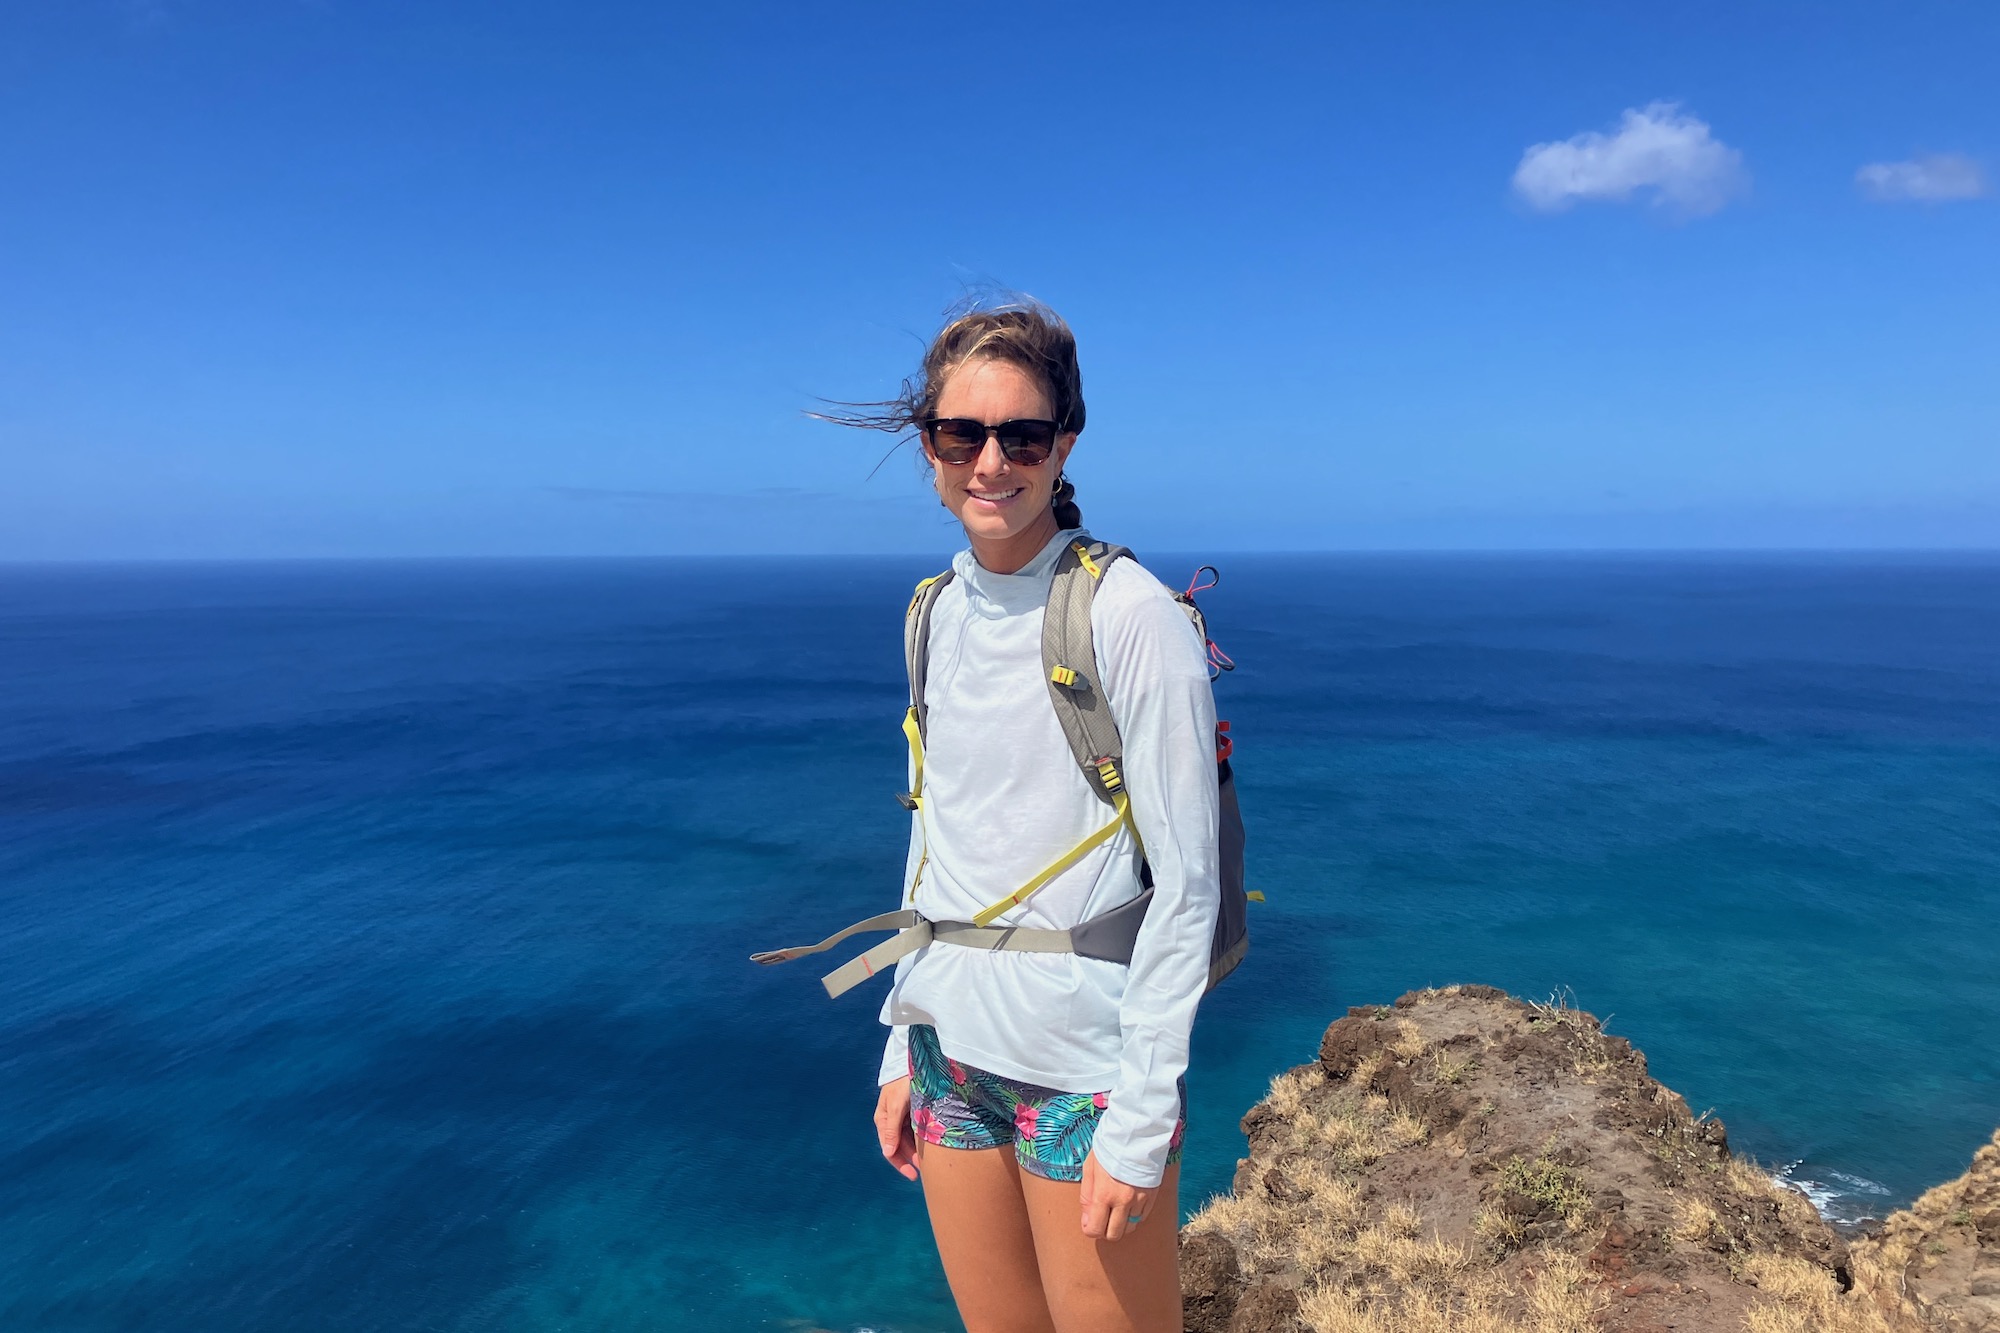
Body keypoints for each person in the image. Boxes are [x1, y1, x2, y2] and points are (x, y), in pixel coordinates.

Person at [827, 301, 1221, 1333]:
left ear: (1064, 446)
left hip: (1085, 1072)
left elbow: (1186, 885)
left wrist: (1138, 1123)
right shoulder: (930, 615)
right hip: (948, 1059)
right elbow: (934, 839)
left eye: (1022, 436)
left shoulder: (1131, 617)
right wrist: (896, 1045)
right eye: (962, 434)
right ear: (930, 446)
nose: (990, 461)